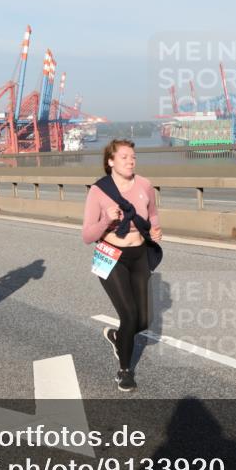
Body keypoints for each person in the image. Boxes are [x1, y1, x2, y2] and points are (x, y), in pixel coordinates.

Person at [82, 139, 162, 392]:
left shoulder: (144, 185)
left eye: (133, 157)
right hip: (111, 254)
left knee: (144, 320)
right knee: (128, 315)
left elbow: (153, 214)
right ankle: (124, 371)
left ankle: (118, 337)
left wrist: (157, 230)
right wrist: (106, 219)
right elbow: (87, 235)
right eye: (124, 157)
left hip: (139, 254)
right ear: (111, 161)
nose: (130, 161)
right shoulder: (98, 191)